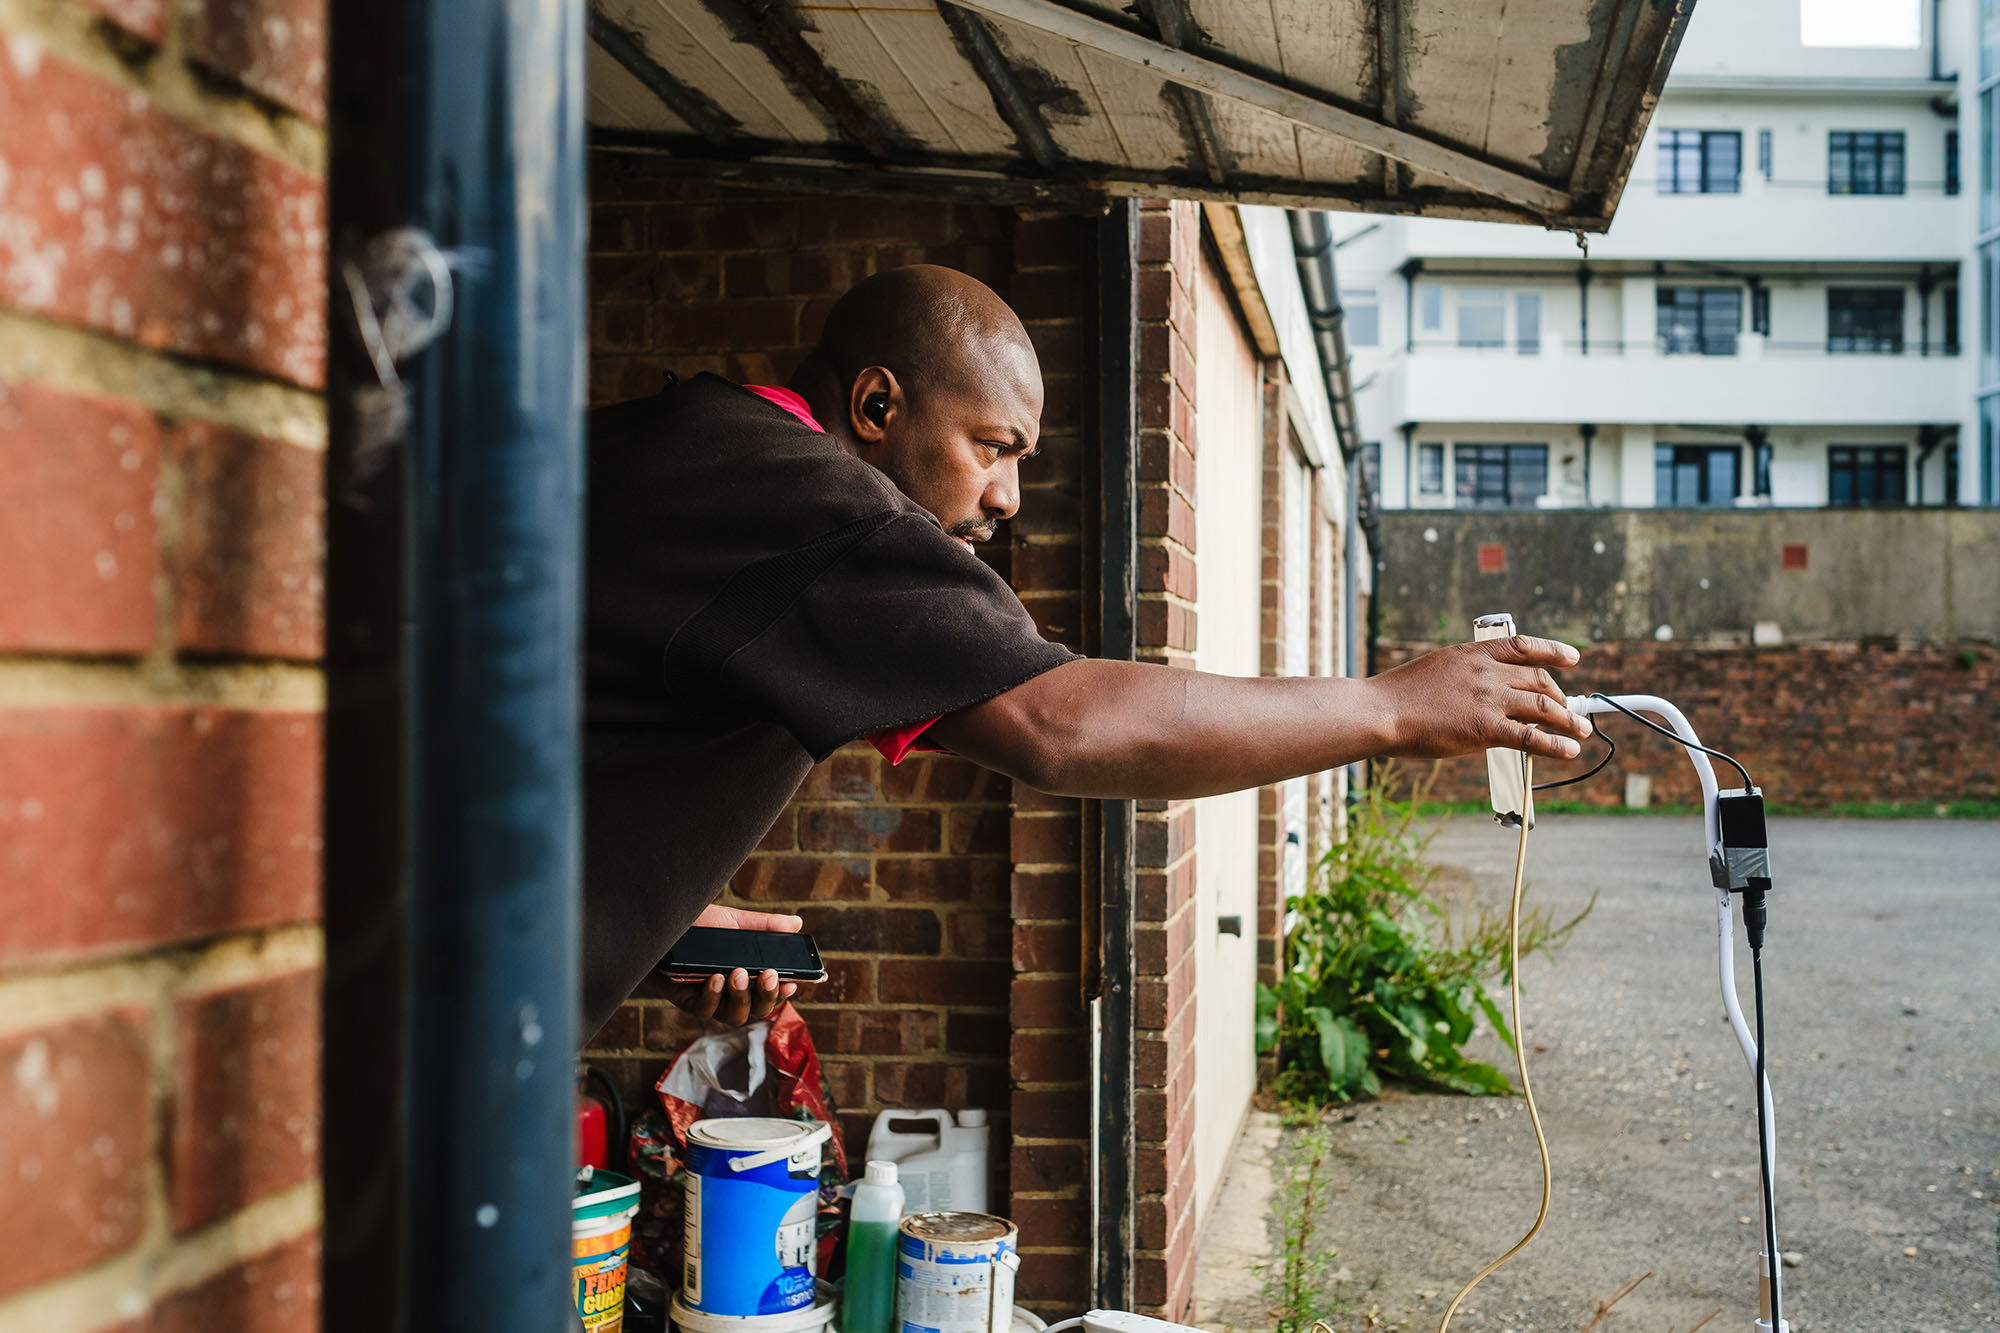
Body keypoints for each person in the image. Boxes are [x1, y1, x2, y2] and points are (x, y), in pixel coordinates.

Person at [581, 264, 1591, 1038]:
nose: (1006, 498)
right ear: (877, 409)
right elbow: (1062, 723)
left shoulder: (674, 443)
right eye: (992, 447)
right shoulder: (819, 513)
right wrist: (1391, 708)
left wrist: (657, 911)